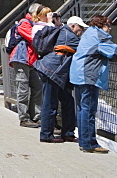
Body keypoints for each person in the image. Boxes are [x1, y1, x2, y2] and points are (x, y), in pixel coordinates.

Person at [70, 15, 117, 153]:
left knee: (82, 108)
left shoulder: (88, 33)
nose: (110, 29)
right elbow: (114, 51)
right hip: (88, 75)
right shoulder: (100, 36)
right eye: (107, 25)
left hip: (78, 74)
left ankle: (84, 141)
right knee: (89, 110)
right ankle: (89, 143)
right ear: (100, 26)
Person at [33, 13, 85, 144]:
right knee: (50, 103)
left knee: (67, 101)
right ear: (72, 26)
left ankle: (68, 133)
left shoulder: (62, 31)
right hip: (52, 71)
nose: (82, 31)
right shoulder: (68, 35)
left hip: (52, 71)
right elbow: (85, 48)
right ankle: (46, 134)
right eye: (80, 27)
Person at [9, 2, 44, 127]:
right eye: (41, 13)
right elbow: (33, 38)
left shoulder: (35, 24)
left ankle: (36, 115)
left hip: (31, 60)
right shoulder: (25, 23)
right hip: (22, 59)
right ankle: (24, 118)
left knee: (37, 87)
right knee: (23, 89)